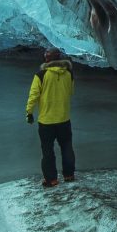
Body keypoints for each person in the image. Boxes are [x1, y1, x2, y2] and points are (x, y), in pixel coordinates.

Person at [25, 48, 77, 187]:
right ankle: (69, 175)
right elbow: (71, 92)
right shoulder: (69, 73)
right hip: (64, 119)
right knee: (67, 148)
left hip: (46, 121)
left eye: (45, 56)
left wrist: (29, 113)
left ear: (47, 59)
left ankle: (51, 179)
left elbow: (34, 95)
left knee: (47, 151)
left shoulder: (41, 75)